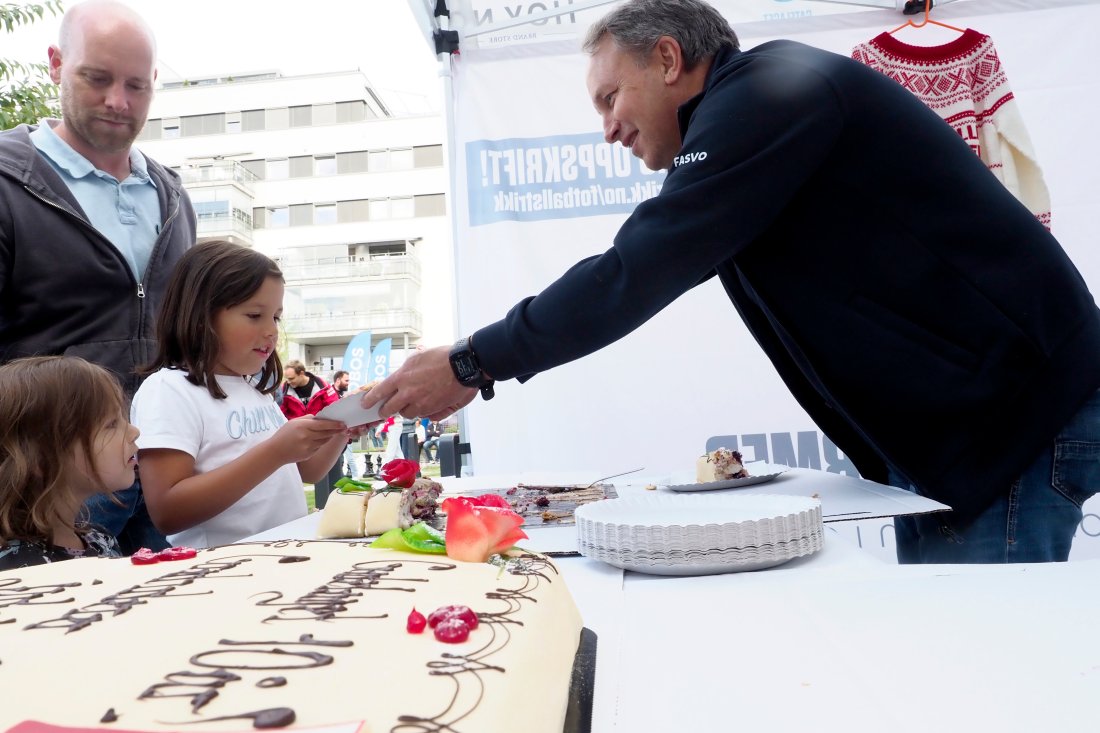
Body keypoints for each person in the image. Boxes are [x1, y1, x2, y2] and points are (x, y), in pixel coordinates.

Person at [364, 0, 1100, 565]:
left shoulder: (772, 94)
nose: (608, 129)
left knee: (976, 674)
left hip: (1016, 422)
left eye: (609, 97)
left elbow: (637, 268)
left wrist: (473, 360)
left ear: (667, 58)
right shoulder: (758, 110)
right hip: (972, 435)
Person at [0, 0, 197, 556]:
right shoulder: (7, 182)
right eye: (97, 78)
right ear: (55, 64)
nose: (118, 101)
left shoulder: (174, 196)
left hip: (164, 461)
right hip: (50, 481)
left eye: (137, 85)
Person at [130, 240, 354, 548]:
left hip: (285, 562)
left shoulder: (254, 391)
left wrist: (344, 428)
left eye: (275, 317)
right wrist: (275, 451)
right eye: (254, 315)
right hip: (223, 574)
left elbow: (307, 470)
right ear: (201, 315)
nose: (272, 330)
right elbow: (168, 511)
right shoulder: (168, 391)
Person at [0, 356, 139, 570]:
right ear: (42, 458)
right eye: (111, 424)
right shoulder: (19, 568)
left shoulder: (100, 541)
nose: (134, 432)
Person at [278, 360, 342, 506]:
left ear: (302, 373)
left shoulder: (323, 387)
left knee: (334, 475)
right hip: (299, 441)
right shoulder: (284, 391)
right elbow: (280, 415)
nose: (289, 382)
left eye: (292, 378)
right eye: (287, 379)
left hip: (326, 437)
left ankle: (335, 507)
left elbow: (335, 407)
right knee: (305, 476)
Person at [331, 369, 361, 479]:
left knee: (346, 457)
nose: (348, 383)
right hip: (337, 433)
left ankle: (354, 476)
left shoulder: (340, 395)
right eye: (346, 380)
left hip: (344, 433)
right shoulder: (331, 395)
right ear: (338, 380)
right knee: (343, 457)